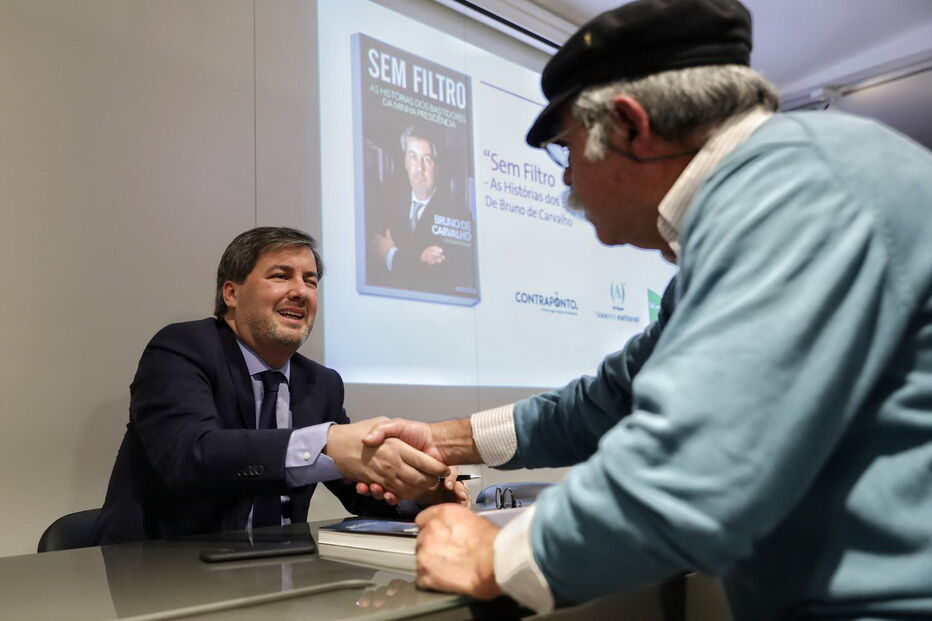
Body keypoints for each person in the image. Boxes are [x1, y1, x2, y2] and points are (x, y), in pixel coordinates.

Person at [359, 0, 932, 618]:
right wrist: (444, 443)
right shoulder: (779, 186)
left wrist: (494, 557)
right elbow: (612, 398)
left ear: (632, 128)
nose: (567, 183)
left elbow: (697, 471)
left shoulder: (798, 192)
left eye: (567, 149)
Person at [90, 227, 465, 544]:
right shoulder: (182, 348)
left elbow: (360, 492)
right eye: (281, 276)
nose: (301, 291)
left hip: (281, 577)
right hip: (159, 578)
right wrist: (326, 442)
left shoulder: (322, 383)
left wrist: (418, 491)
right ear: (231, 294)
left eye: (310, 281)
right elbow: (189, 457)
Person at [371, 126, 454, 291]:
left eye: (427, 159)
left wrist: (391, 255)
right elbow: (374, 253)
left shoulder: (453, 211)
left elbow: (432, 277)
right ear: (405, 163)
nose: (419, 168)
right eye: (413, 157)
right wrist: (419, 259)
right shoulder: (388, 203)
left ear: (436, 168)